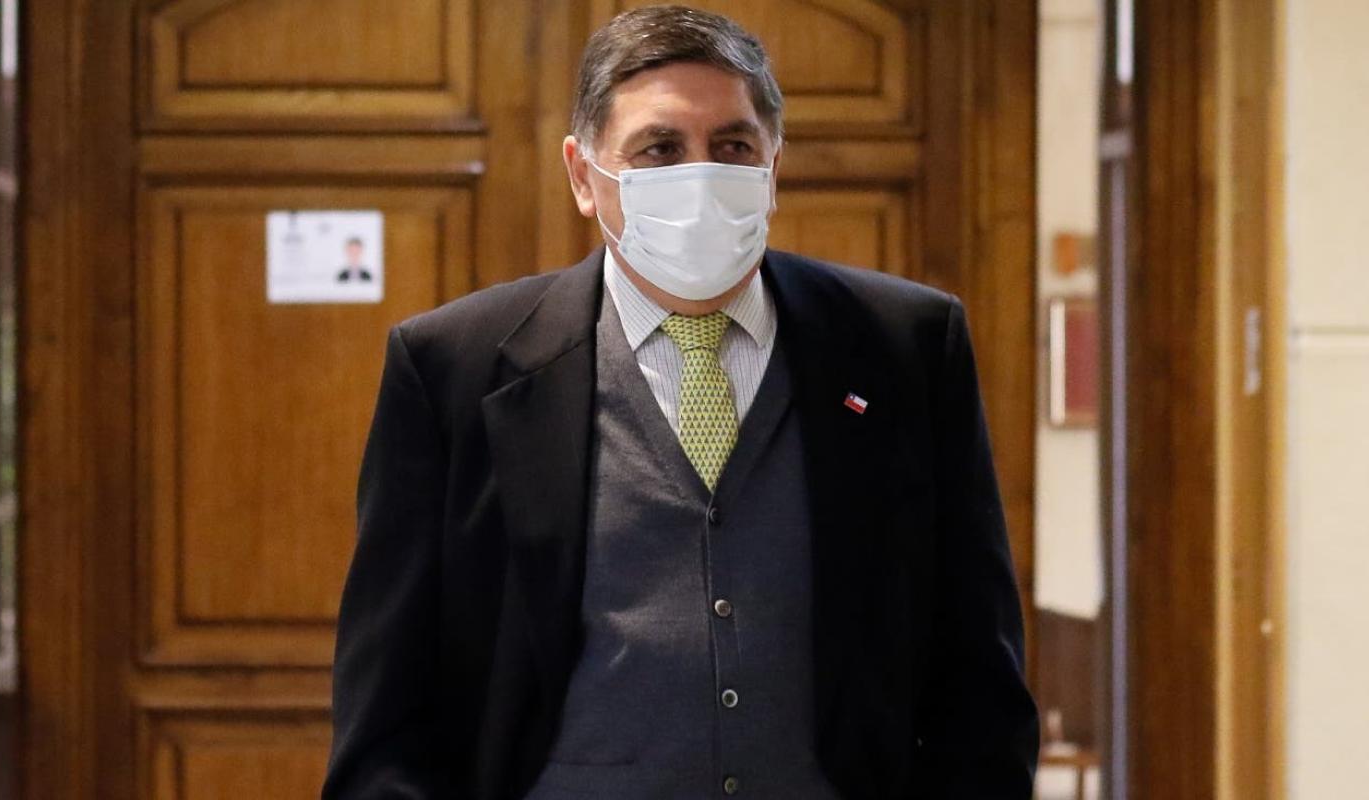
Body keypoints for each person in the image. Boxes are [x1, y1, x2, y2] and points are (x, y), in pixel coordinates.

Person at [323, 6, 1038, 798]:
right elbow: (386, 714)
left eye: (732, 147)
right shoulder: (454, 367)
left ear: (772, 167)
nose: (699, 176)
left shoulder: (904, 346)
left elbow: (978, 676)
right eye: (659, 149)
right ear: (583, 176)